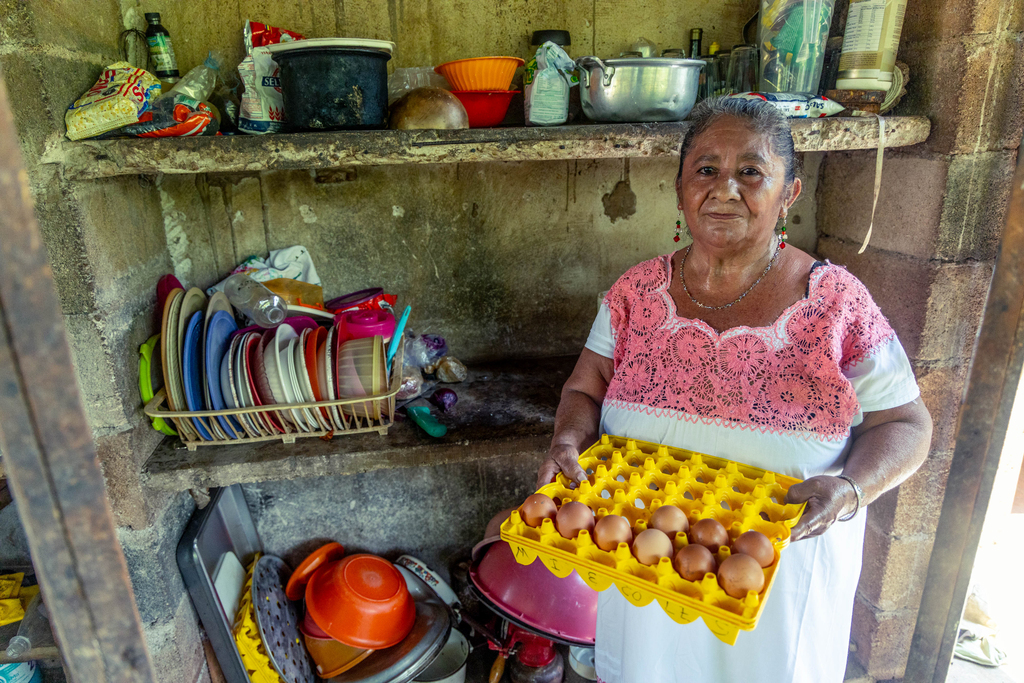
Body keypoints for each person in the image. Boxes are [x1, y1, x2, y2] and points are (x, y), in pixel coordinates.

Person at [536, 96, 933, 683]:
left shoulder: (836, 304)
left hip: (779, 591)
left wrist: (851, 490)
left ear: (789, 193)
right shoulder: (633, 293)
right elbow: (584, 390)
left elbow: (907, 425)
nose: (725, 189)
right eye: (706, 170)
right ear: (679, 189)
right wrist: (567, 440)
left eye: (751, 171)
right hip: (645, 577)